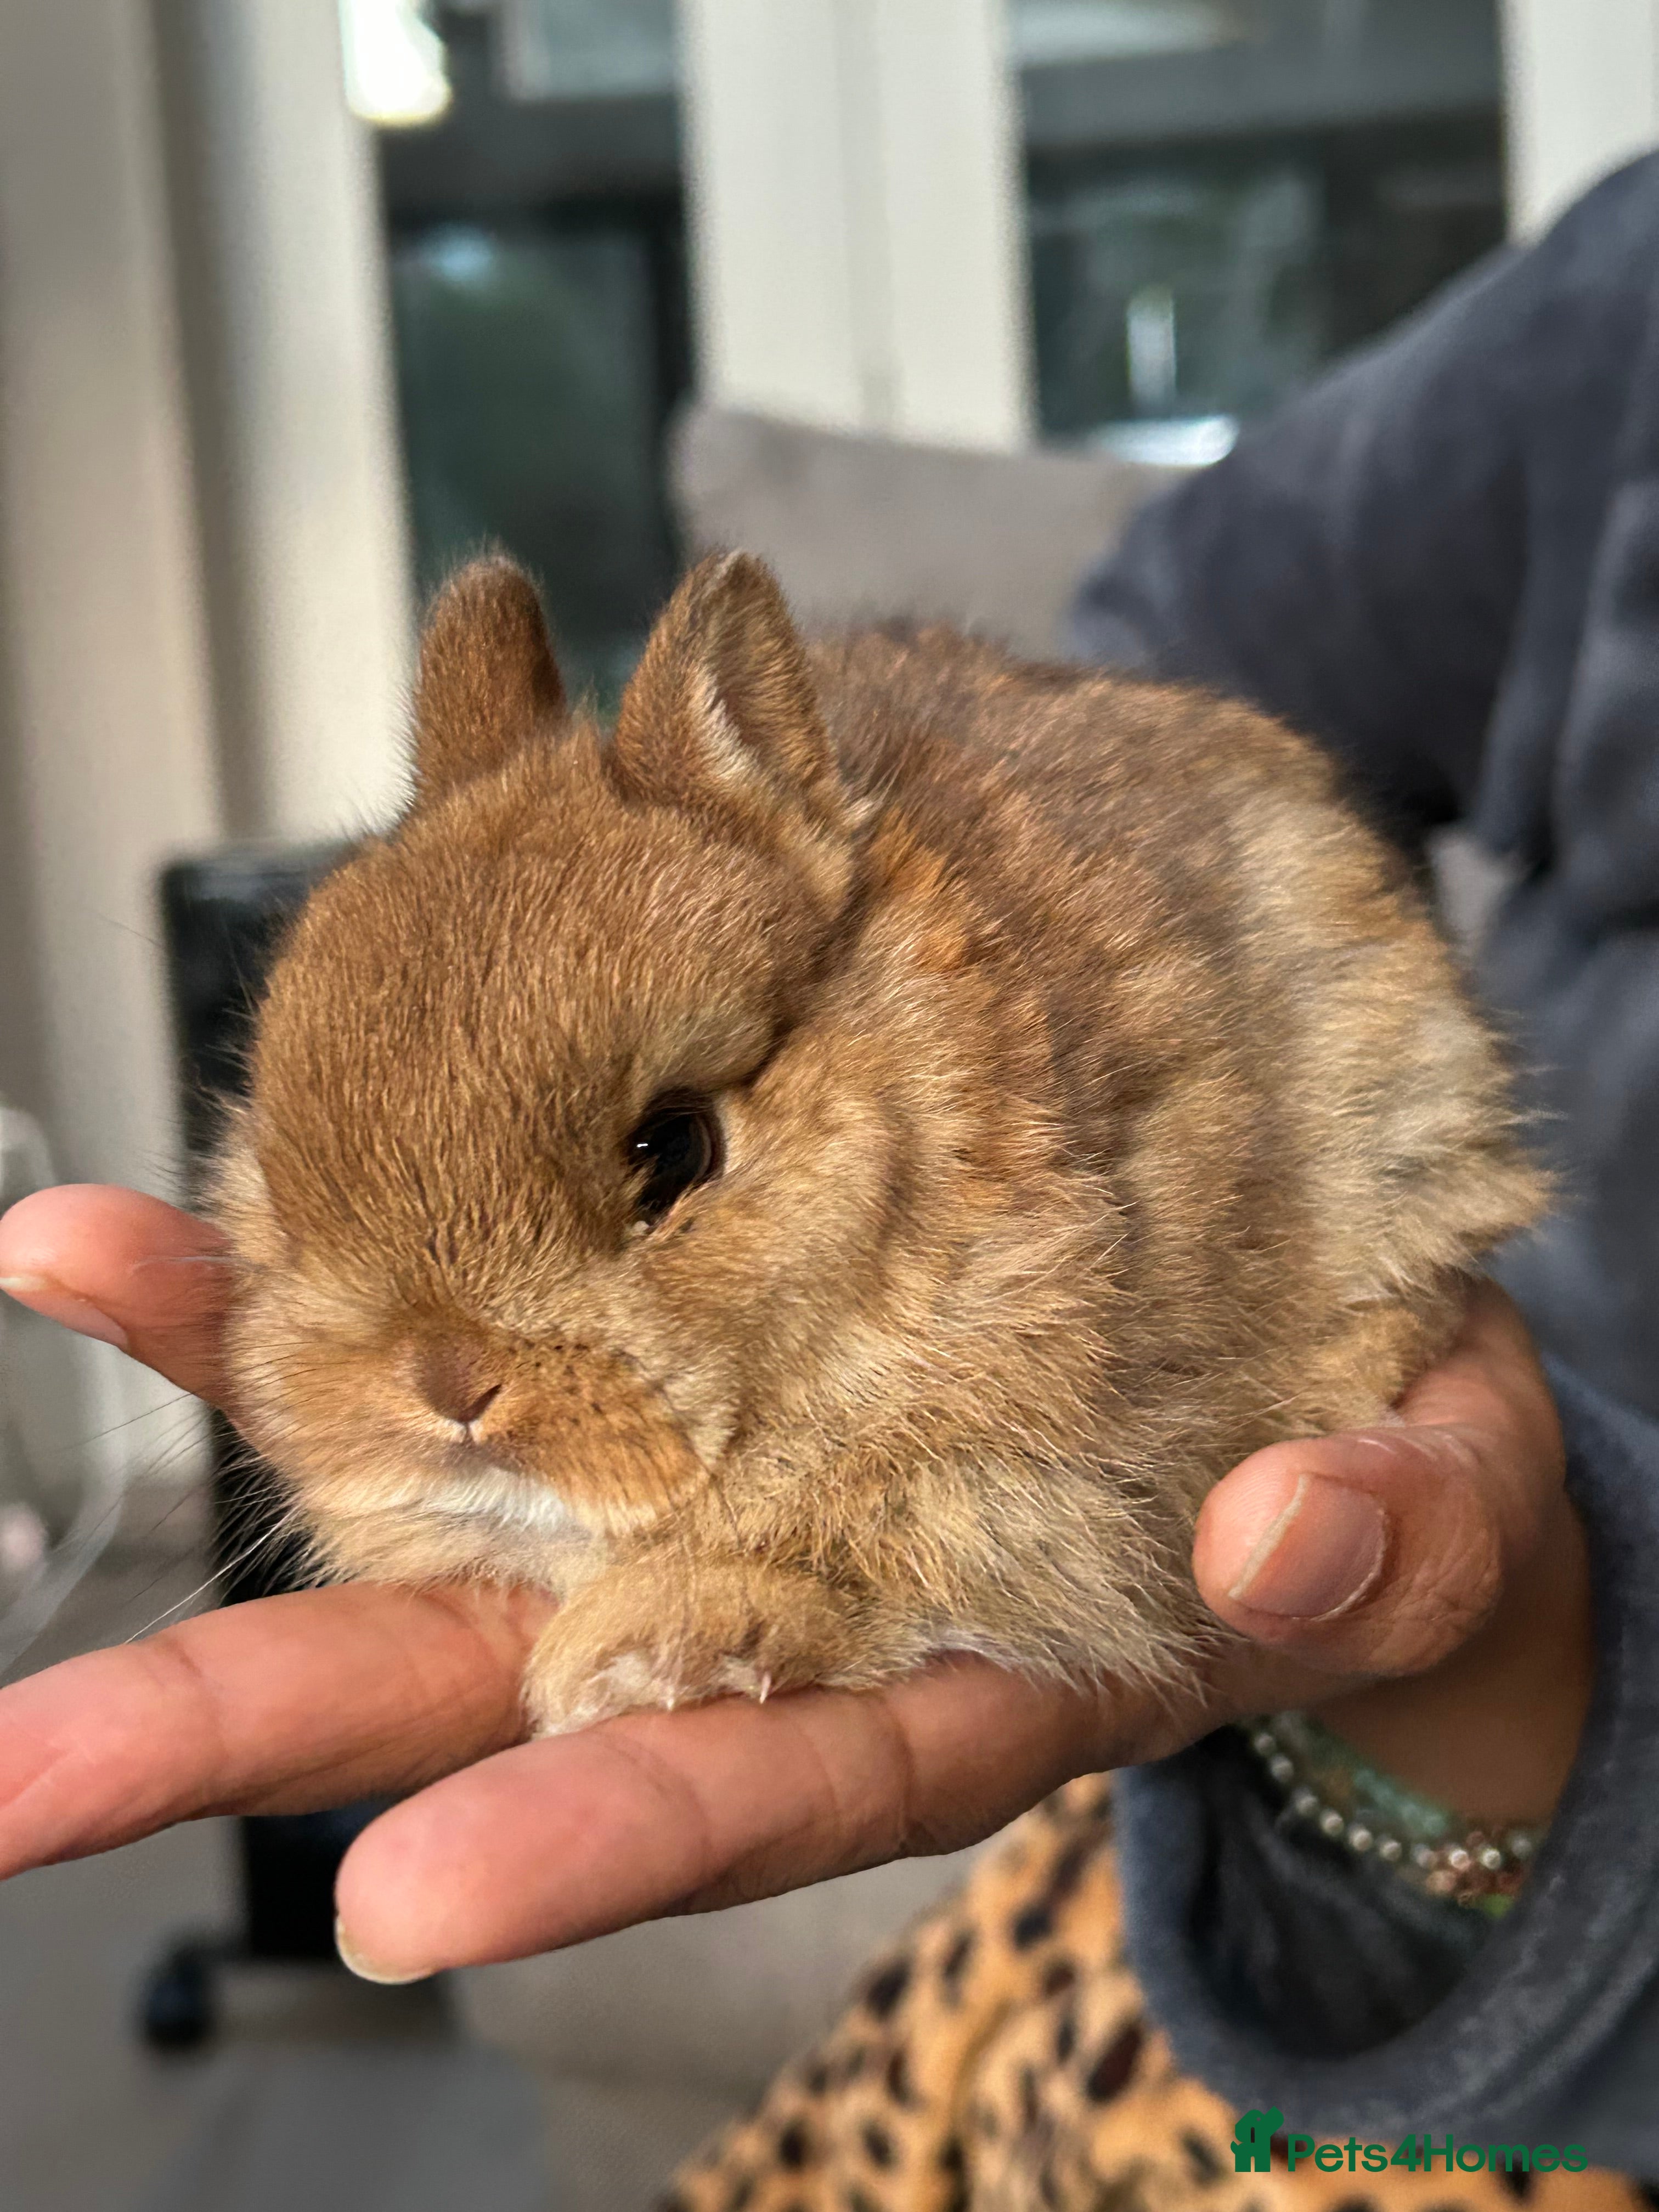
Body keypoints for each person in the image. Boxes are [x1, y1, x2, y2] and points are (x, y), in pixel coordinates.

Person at [1, 148, 1656, 2199]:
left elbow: (1073, 1509)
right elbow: (1192, 620)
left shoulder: (1008, 1214)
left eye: (670, 1157)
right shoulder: (1612, 314)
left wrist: (809, 1567)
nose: (457, 1390)